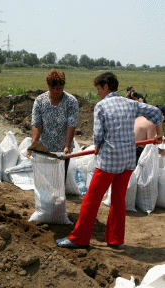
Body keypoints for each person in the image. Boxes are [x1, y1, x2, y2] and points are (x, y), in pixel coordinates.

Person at [56, 72, 163, 249]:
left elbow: (98, 135)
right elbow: (156, 112)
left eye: (98, 89)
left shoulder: (101, 106)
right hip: (128, 161)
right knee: (119, 199)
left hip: (109, 162)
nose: (97, 93)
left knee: (91, 199)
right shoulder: (130, 103)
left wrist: (97, 146)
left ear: (106, 86)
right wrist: (159, 134)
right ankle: (116, 240)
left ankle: (79, 238)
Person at [27, 68, 79, 180]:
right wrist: (33, 145)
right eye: (52, 88)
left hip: (62, 149)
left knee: (59, 181)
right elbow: (37, 125)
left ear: (63, 86)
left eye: (59, 88)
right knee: (45, 180)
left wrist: (67, 146)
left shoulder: (71, 102)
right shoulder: (40, 101)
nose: (55, 91)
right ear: (48, 86)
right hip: (44, 149)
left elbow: (71, 125)